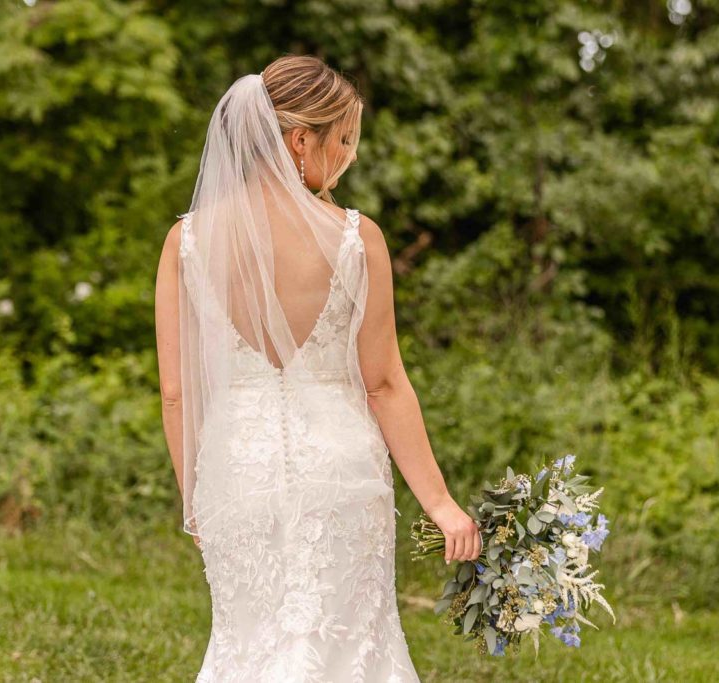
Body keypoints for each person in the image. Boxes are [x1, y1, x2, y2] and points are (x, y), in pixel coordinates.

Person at [154, 54, 480, 682]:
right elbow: (384, 384)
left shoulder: (186, 242)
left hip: (234, 472)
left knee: (245, 644)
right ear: (301, 140)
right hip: (342, 471)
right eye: (345, 139)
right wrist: (440, 503)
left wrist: (194, 499)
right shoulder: (358, 239)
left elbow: (177, 393)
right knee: (351, 648)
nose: (349, 157)